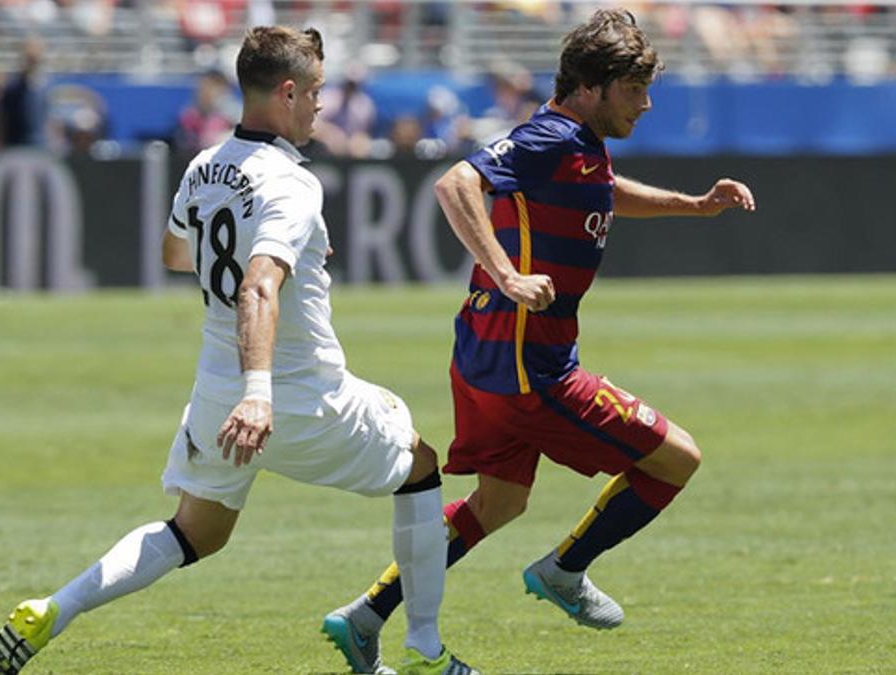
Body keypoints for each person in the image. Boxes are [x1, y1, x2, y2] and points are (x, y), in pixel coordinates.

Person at [0, 26, 476, 675]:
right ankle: (426, 652)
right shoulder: (292, 184)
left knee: (194, 531)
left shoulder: (205, 165)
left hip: (214, 393)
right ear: (288, 91)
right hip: (293, 397)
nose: (322, 105)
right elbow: (260, 285)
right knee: (421, 466)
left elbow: (175, 254)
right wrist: (260, 392)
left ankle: (53, 607)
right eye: (316, 91)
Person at [321, 9, 755, 674]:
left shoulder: (577, 143)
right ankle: (563, 570)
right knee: (676, 459)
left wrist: (692, 204)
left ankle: (365, 615)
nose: (645, 104)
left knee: (501, 500)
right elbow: (455, 181)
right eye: (635, 89)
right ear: (594, 85)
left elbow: (605, 192)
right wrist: (508, 273)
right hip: (532, 367)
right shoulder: (552, 134)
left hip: (485, 353)